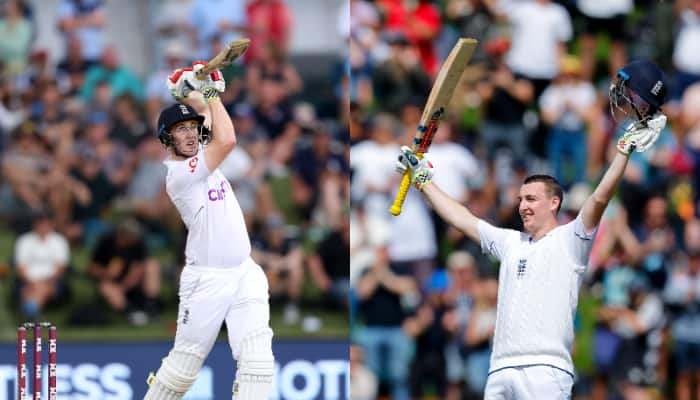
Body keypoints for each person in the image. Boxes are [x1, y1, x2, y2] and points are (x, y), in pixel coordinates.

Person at [395, 60, 668, 399]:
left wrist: (622, 153)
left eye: (532, 199)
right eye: (521, 198)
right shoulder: (510, 242)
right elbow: (461, 218)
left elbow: (599, 198)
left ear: (554, 203)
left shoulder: (571, 240)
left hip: (546, 370)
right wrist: (422, 180)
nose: (523, 205)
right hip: (501, 368)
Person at [143, 61, 274, 399]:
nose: (188, 134)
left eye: (192, 127)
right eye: (179, 130)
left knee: (258, 365)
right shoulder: (180, 173)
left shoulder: (201, 154)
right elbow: (228, 138)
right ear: (165, 139)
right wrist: (211, 90)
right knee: (182, 371)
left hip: (245, 272)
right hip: (207, 280)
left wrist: (193, 90)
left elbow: (213, 121)